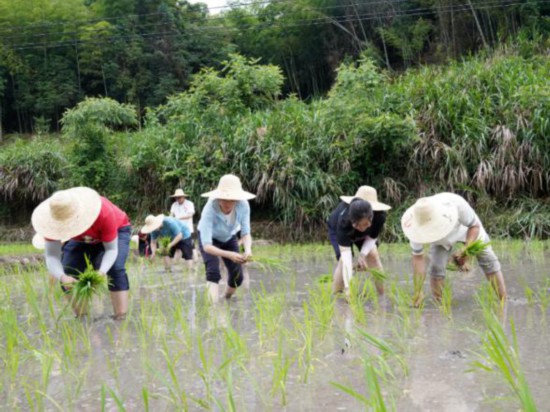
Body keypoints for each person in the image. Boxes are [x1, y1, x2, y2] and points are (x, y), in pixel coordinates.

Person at [31, 187, 131, 319]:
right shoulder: (51, 223)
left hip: (118, 230)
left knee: (115, 267)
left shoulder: (103, 212)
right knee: (68, 271)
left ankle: (120, 317)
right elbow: (51, 256)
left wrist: (101, 272)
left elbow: (111, 250)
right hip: (81, 239)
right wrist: (62, 277)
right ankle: (83, 318)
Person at [401, 192, 507, 307]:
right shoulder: (414, 228)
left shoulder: (455, 204)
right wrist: (418, 290)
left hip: (467, 230)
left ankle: (503, 302)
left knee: (489, 261)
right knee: (436, 267)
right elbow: (418, 259)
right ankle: (439, 306)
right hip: (440, 240)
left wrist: (466, 250)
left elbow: (474, 226)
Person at [197, 174, 255, 303]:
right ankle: (213, 309)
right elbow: (207, 246)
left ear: (237, 199)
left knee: (238, 276)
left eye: (232, 199)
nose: (227, 203)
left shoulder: (243, 206)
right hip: (209, 239)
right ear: (218, 196)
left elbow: (245, 232)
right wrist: (229, 254)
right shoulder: (210, 209)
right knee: (213, 270)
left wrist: (248, 250)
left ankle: (226, 299)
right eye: (224, 199)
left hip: (229, 237)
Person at [328, 186, 391, 296]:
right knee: (343, 261)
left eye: (366, 224)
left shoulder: (379, 216)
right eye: (357, 225)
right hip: (338, 228)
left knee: (373, 255)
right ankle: (337, 297)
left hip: (362, 229)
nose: (362, 228)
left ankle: (382, 296)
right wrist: (349, 287)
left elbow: (372, 238)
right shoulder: (344, 221)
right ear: (352, 219)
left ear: (372, 216)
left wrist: (362, 255)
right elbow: (346, 257)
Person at [169, 188, 196, 259]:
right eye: (176, 197)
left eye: (180, 197)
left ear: (183, 196)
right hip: (177, 229)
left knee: (191, 246)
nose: (178, 199)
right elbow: (171, 215)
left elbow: (190, 215)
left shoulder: (189, 204)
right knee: (177, 245)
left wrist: (178, 218)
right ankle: (177, 261)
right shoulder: (174, 205)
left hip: (188, 228)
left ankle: (195, 261)